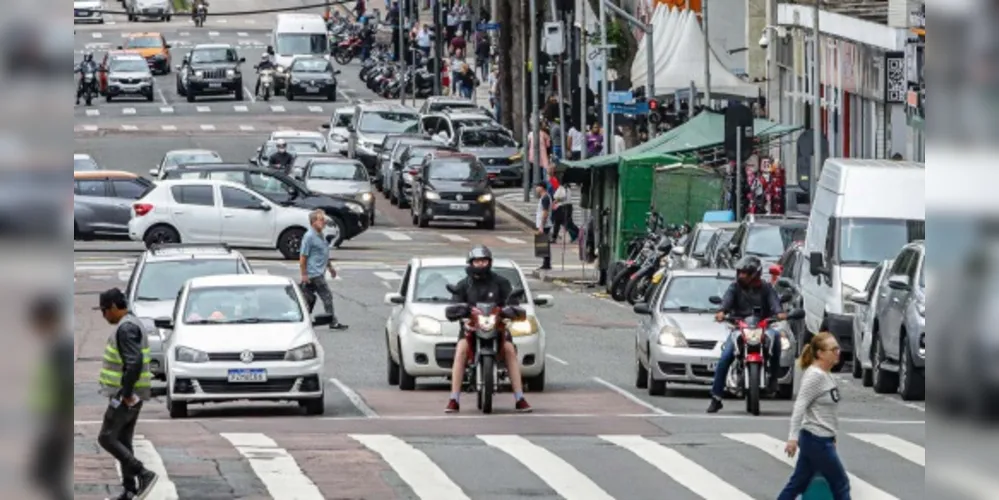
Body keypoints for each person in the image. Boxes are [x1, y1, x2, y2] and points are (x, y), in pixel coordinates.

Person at [445, 246, 532, 413]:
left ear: (490, 262)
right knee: (461, 350)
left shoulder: (501, 282)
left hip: (498, 328)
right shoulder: (464, 285)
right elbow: (454, 304)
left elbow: (512, 302)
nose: (481, 264)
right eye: (477, 261)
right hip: (471, 329)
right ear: (471, 263)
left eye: (484, 261)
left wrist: (511, 310)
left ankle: (520, 397)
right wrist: (458, 311)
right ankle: (454, 399)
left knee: (509, 350)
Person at [96, 288, 158, 500]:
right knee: (123, 440)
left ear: (113, 307)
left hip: (127, 395)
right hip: (134, 394)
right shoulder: (132, 323)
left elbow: (134, 362)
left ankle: (143, 473)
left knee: (106, 438)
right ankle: (129, 491)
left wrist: (126, 392)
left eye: (104, 311)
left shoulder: (126, 328)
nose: (104, 316)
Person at [706, 255, 787, 413]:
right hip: (739, 328)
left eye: (746, 273)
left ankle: (773, 379)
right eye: (740, 272)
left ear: (755, 274)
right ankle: (716, 397)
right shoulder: (734, 287)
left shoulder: (766, 288)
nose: (742, 275)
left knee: (776, 337)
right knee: (725, 357)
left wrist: (779, 313)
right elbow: (726, 303)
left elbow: (775, 304)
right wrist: (722, 312)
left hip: (762, 327)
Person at [777, 327, 850, 500]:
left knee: (798, 483)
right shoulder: (815, 376)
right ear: (820, 353)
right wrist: (792, 438)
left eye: (837, 348)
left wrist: (832, 436)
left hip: (821, 439)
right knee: (841, 484)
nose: (838, 353)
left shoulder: (826, 374)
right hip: (816, 439)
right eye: (833, 350)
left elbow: (826, 411)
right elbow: (800, 407)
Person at [27, 295, 73, 500]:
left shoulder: (61, 347)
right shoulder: (56, 345)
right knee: (43, 474)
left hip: (59, 421)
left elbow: (65, 384)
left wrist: (62, 421)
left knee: (45, 473)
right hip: (53, 420)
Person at [299, 209, 348, 330]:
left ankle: (301, 320)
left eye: (324, 220)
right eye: (321, 220)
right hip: (314, 274)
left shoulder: (320, 235)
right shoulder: (309, 237)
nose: (324, 222)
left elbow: (324, 254)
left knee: (306, 298)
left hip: (317, 272)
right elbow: (303, 257)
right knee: (327, 296)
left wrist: (330, 267)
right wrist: (304, 274)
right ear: (313, 222)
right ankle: (332, 322)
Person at [534, 182, 553, 270]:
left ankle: (546, 264)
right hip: (544, 224)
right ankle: (546, 263)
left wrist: (541, 225)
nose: (536, 189)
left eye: (537, 187)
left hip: (544, 225)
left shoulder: (545, 198)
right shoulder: (544, 197)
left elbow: (545, 213)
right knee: (544, 244)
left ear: (542, 188)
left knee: (544, 244)